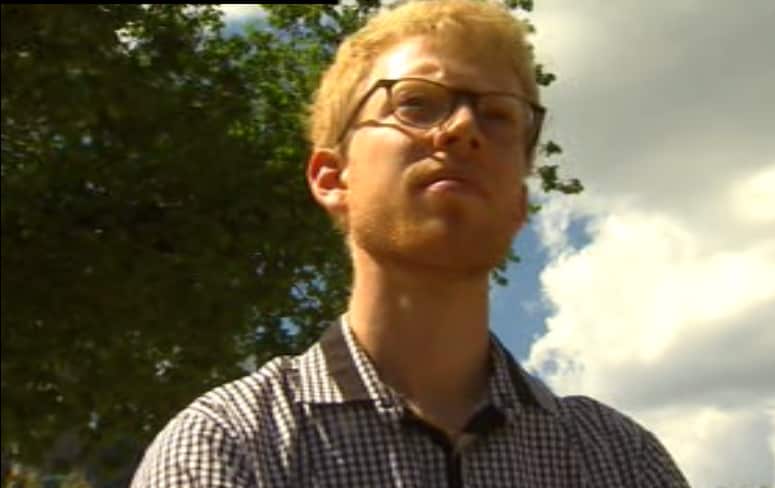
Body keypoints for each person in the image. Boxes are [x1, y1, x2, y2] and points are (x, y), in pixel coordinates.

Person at [132, 0, 690, 486]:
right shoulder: (228, 447)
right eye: (416, 102)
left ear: (520, 205)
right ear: (332, 177)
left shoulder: (622, 463)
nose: (463, 128)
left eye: (498, 115)